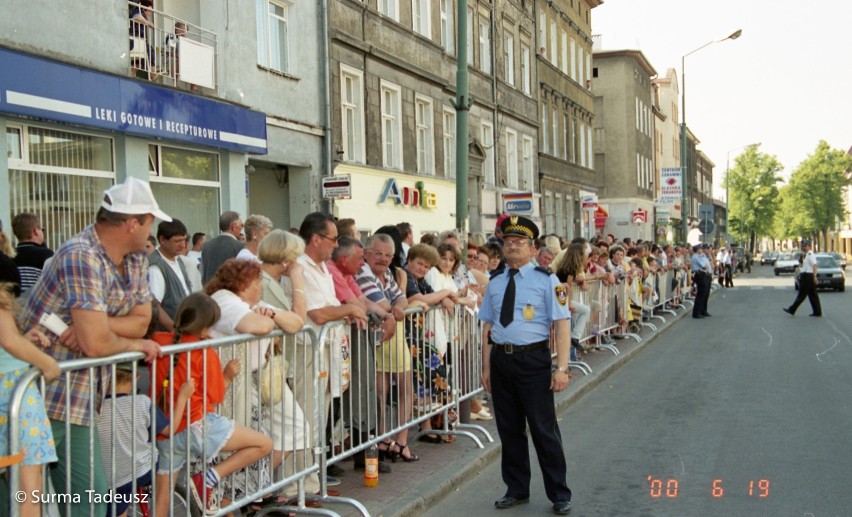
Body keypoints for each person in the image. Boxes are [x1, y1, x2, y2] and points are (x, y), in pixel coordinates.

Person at [19, 176, 163, 517]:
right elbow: (97, 344)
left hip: (78, 396)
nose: (151, 229)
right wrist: (104, 332)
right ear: (132, 223)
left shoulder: (135, 258)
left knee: (89, 502)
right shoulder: (80, 255)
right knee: (24, 500)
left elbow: (143, 319)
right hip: (38, 394)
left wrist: (89, 322)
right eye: (149, 221)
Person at [479, 215, 573, 515]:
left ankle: (559, 492)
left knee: (543, 429)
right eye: (508, 242)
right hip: (502, 360)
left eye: (520, 243)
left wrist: (561, 368)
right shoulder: (495, 281)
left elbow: (561, 324)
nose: (513, 248)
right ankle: (516, 488)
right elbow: (487, 327)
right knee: (509, 429)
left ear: (533, 249)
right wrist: (486, 369)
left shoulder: (547, 280)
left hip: (533, 360)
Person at [151, 292, 273, 515]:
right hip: (198, 426)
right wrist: (227, 375)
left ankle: (205, 480)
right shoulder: (205, 353)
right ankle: (209, 477)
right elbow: (216, 396)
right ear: (206, 328)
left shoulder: (158, 343)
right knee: (264, 444)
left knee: (162, 500)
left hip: (166, 431)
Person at [205, 259, 302, 505]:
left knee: (257, 443)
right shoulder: (225, 300)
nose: (261, 287)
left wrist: (272, 314)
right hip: (229, 387)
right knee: (235, 448)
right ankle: (236, 498)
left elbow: (296, 323)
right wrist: (269, 319)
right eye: (258, 282)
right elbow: (256, 326)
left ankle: (253, 495)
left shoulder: (250, 303)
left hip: (247, 383)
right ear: (243, 282)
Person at [297, 212, 367, 494]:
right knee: (306, 419)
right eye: (332, 239)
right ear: (316, 239)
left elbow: (328, 307)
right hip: (309, 350)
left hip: (326, 349)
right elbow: (317, 312)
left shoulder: (322, 266)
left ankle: (314, 481)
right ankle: (300, 485)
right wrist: (348, 309)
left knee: (319, 419)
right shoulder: (301, 267)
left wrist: (344, 313)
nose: (335, 245)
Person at [326, 237, 392, 473]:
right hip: (335, 344)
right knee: (336, 399)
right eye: (359, 258)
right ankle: (329, 457)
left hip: (350, 340)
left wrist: (387, 316)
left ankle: (362, 451)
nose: (362, 263)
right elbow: (355, 304)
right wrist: (368, 311)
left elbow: (362, 302)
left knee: (362, 393)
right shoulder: (333, 271)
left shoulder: (348, 274)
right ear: (345, 259)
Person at [97, 361, 188, 517]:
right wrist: (183, 398)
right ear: (136, 377)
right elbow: (170, 430)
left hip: (108, 476)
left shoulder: (95, 408)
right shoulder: (142, 402)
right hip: (144, 469)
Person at [0, 283, 60, 517]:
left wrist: (22, 340)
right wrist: (48, 365)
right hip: (15, 393)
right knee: (29, 492)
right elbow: (9, 341)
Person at [355, 233, 416, 462]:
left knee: (402, 389)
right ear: (367, 253)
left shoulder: (387, 274)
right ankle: (384, 439)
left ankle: (400, 440)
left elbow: (402, 300)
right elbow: (384, 306)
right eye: (378, 253)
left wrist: (397, 307)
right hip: (377, 338)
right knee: (380, 393)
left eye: (388, 255)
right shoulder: (363, 272)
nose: (383, 259)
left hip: (392, 337)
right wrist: (395, 308)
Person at [148, 218, 192, 331]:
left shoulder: (178, 260)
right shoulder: (155, 267)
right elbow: (154, 307)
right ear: (162, 239)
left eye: (184, 240)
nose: (183, 245)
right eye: (177, 241)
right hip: (167, 338)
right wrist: (175, 331)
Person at [11, 212, 53, 297]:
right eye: (41, 229)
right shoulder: (46, 255)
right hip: (36, 305)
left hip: (13, 306)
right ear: (35, 231)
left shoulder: (9, 256)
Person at [201, 211, 244, 283]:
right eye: (241, 225)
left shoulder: (206, 246)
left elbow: (202, 276)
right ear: (234, 227)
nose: (242, 228)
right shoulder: (240, 247)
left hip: (209, 291)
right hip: (230, 291)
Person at [784, 239, 822, 317]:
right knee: (813, 295)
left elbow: (814, 266)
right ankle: (817, 311)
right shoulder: (806, 255)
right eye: (803, 246)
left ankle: (792, 309)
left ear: (809, 246)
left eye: (805, 246)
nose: (804, 248)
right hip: (806, 276)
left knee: (802, 294)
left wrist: (814, 277)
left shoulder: (810, 254)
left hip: (807, 277)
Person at [691, 244, 713, 319]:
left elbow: (709, 266)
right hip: (700, 275)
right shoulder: (696, 256)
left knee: (705, 294)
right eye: (700, 248)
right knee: (701, 294)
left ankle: (703, 310)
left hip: (706, 275)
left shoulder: (702, 256)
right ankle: (696, 312)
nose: (702, 250)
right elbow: (704, 266)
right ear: (697, 249)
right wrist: (706, 266)